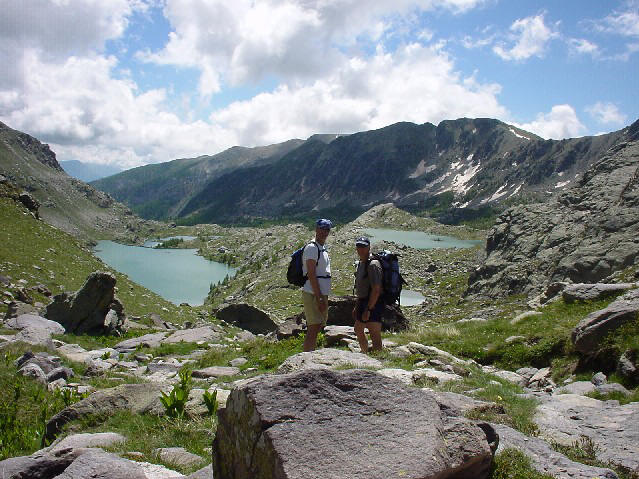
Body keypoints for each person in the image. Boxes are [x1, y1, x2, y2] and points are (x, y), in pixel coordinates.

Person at [302, 218, 332, 351]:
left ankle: (311, 353)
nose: (324, 232)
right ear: (316, 229)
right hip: (313, 293)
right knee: (313, 326)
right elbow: (311, 274)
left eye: (327, 229)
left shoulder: (322, 248)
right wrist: (319, 297)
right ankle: (307, 357)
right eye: (322, 229)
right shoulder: (312, 248)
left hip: (320, 293)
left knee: (318, 325)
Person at [352, 236, 383, 353]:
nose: (361, 249)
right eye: (359, 246)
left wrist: (369, 309)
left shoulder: (373, 264)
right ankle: (365, 353)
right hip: (363, 301)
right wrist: (357, 305)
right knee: (358, 329)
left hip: (373, 302)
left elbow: (376, 289)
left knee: (374, 332)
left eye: (363, 247)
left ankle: (378, 359)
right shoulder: (361, 263)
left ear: (369, 247)